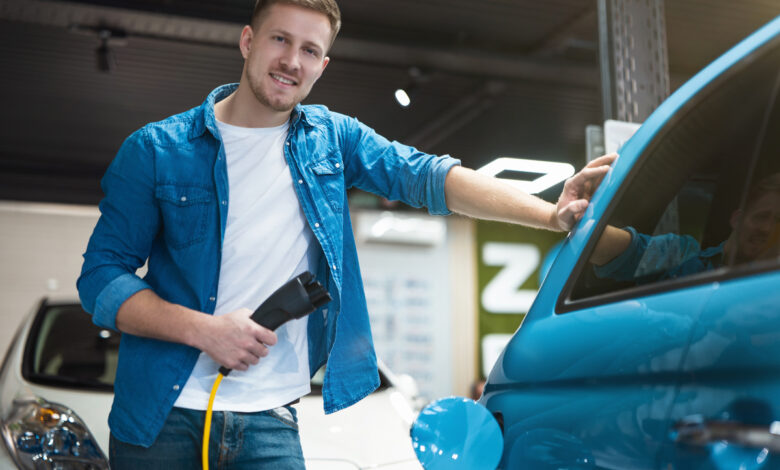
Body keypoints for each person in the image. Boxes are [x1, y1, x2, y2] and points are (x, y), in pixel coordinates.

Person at [77, 0, 616, 467]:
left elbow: (429, 176)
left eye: (310, 50)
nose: (292, 60)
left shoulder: (333, 140)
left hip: (271, 419)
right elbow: (100, 277)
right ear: (248, 41)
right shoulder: (156, 149)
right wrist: (205, 330)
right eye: (280, 39)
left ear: (323, 64)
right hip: (163, 419)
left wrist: (550, 214)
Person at [589, 173, 780, 283]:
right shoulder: (684, 253)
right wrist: (563, 218)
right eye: (761, 217)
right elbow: (626, 251)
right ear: (737, 219)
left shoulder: (769, 289)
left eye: (778, 221)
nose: (767, 228)